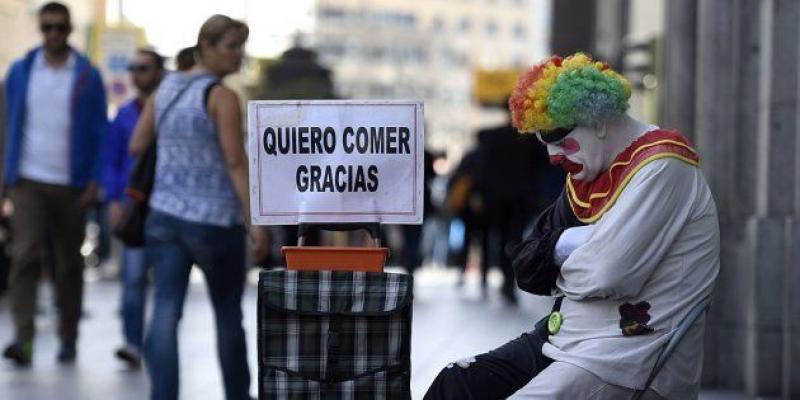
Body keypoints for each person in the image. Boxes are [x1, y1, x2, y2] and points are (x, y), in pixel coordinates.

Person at [424, 53, 720, 399]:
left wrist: (569, 263)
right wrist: (572, 243)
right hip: (562, 339)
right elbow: (530, 263)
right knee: (456, 382)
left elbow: (609, 273)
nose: (554, 157)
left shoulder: (663, 168)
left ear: (597, 122)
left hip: (625, 358)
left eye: (561, 140)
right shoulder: (587, 174)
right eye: (545, 144)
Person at [129, 14, 267, 400]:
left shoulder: (167, 87)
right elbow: (236, 161)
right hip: (214, 222)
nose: (238, 55)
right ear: (206, 46)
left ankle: (163, 395)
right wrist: (255, 222)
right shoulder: (222, 96)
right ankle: (238, 395)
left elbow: (136, 144)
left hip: (163, 215)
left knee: (165, 313)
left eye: (241, 46)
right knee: (227, 316)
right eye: (231, 46)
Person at [2, 1, 107, 366]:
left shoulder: (87, 75)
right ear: (40, 29)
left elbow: (99, 133)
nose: (53, 34)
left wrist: (95, 180)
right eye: (47, 27)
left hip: (72, 185)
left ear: (69, 29)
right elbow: (5, 125)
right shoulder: (21, 71)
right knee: (25, 256)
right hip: (27, 180)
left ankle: (68, 336)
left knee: (67, 265)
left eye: (60, 27)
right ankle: (24, 338)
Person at [103, 48, 165, 369]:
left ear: (158, 71)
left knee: (167, 284)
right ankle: (132, 343)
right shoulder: (124, 114)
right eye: (133, 68)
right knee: (133, 279)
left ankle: (159, 344)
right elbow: (112, 162)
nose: (136, 74)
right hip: (134, 207)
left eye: (143, 68)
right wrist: (114, 201)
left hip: (167, 205)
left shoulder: (168, 110)